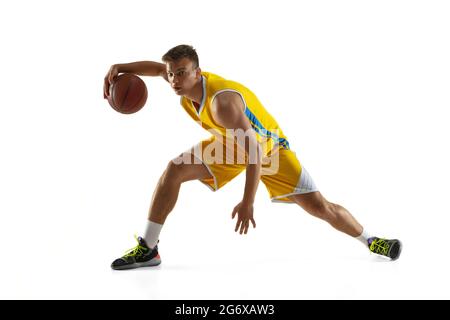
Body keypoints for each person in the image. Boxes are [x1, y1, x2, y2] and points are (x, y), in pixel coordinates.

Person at [103, 45, 402, 270]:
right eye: (171, 74)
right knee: (174, 170)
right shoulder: (179, 83)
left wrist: (248, 201)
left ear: (198, 72)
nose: (173, 79)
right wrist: (119, 66)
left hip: (267, 149)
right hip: (230, 143)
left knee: (320, 207)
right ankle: (149, 248)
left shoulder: (222, 104)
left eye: (181, 73)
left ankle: (372, 240)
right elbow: (157, 69)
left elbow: (255, 152)